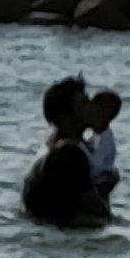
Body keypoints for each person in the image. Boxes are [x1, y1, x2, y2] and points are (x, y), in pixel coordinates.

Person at [20, 74, 110, 227]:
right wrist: (104, 189)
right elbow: (99, 214)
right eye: (83, 104)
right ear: (65, 116)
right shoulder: (70, 154)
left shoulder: (53, 148)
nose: (91, 107)